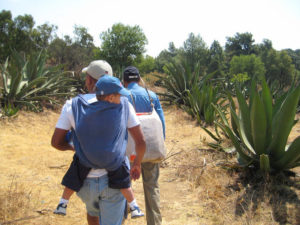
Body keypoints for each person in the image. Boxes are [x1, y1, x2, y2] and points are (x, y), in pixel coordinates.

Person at [51, 61, 146, 225]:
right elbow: (141, 141)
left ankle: (63, 203)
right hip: (114, 179)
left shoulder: (72, 105)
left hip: (84, 181)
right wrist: (137, 163)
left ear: (89, 80)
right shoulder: (122, 103)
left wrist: (78, 148)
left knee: (92, 214)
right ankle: (134, 207)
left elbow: (56, 142)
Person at [123, 66, 165, 225]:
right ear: (139, 79)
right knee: (152, 187)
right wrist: (158, 146)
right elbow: (161, 124)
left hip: (129, 152)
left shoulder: (123, 96)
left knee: (123, 187)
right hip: (151, 150)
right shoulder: (152, 95)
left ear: (125, 81)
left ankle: (120, 219)